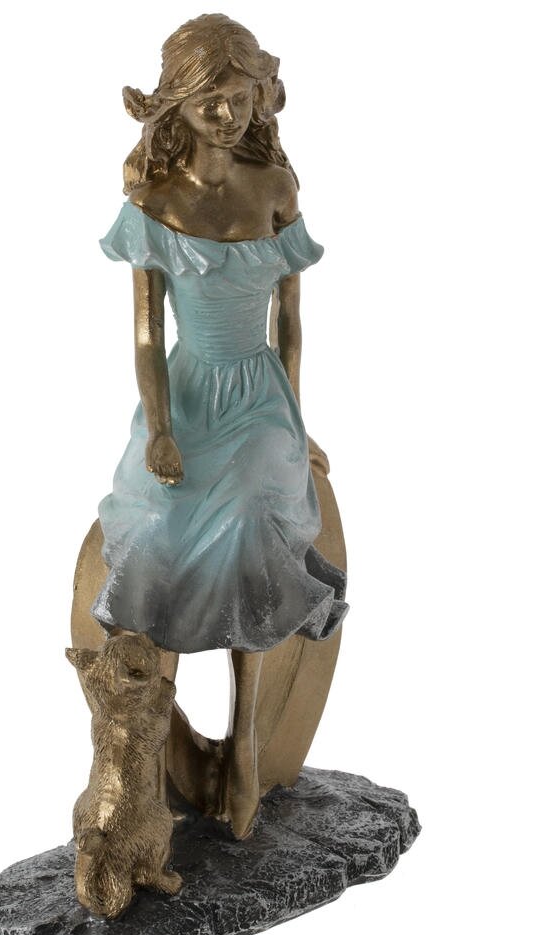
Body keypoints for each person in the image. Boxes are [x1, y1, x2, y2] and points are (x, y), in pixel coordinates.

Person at [92, 14, 348, 839]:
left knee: (250, 518)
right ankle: (148, 747)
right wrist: (160, 429)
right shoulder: (155, 201)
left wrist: (296, 420)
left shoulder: (275, 189)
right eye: (209, 103)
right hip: (190, 394)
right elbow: (145, 335)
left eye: (239, 99)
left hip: (260, 398)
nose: (228, 116)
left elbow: (290, 322)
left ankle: (244, 738)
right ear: (177, 104)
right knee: (156, 533)